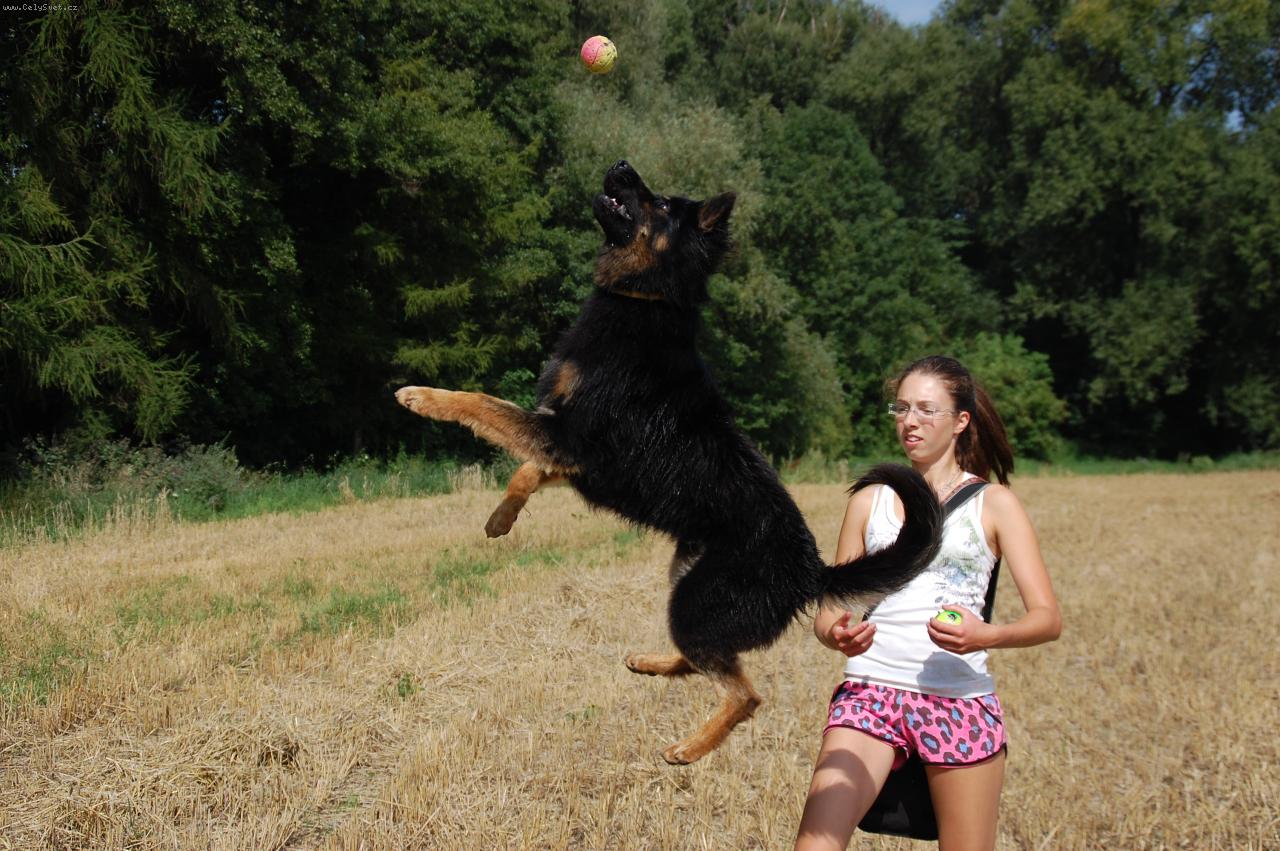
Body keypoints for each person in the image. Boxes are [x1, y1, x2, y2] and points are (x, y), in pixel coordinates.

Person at [794, 355, 1062, 851]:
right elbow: (830, 610)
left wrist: (986, 635)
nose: (909, 421)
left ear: (961, 421)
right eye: (901, 408)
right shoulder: (868, 500)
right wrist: (837, 633)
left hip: (958, 702)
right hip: (870, 694)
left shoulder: (995, 504)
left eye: (926, 410)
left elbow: (1047, 619)